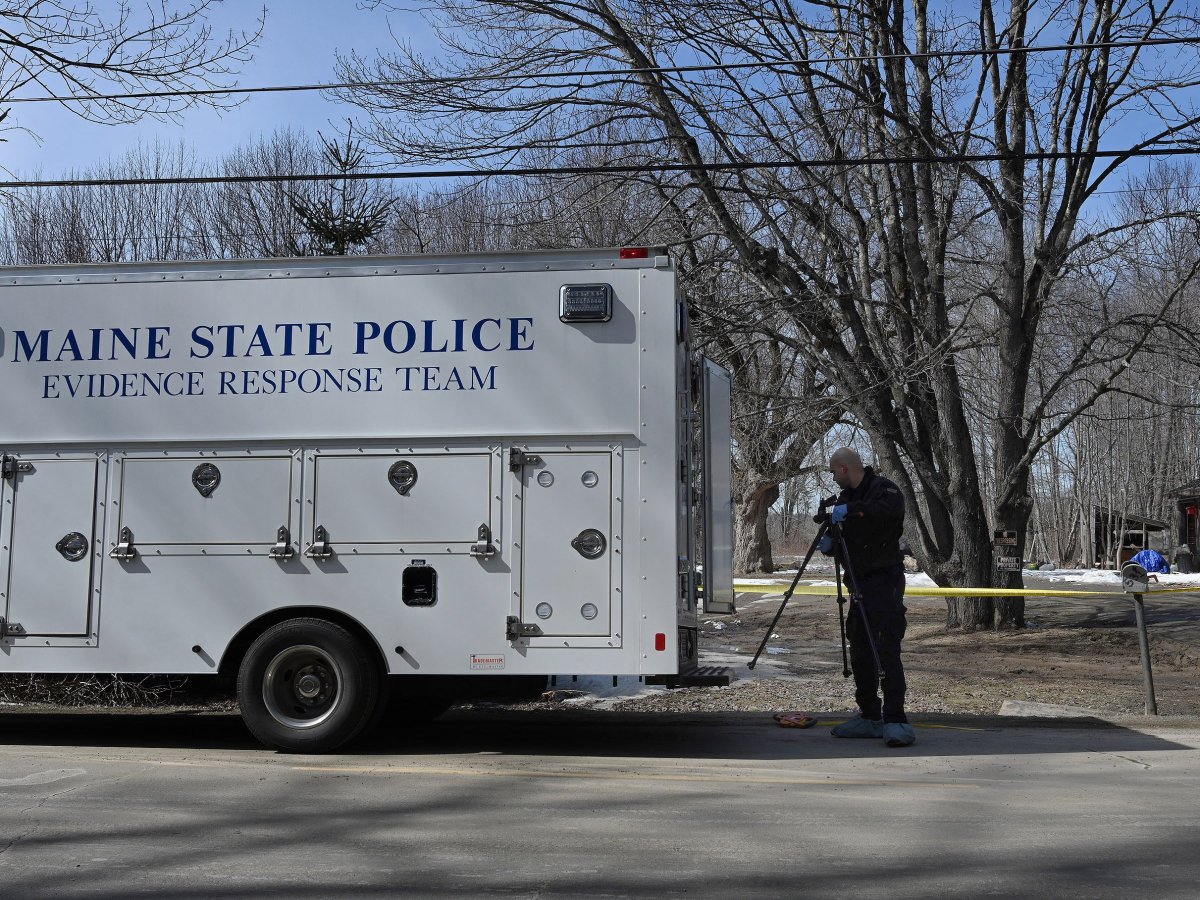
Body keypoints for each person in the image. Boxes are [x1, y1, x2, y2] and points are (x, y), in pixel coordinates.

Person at [819, 447, 915, 747]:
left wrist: (851, 511)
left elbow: (886, 511)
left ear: (844, 468)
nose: (833, 478)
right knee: (860, 648)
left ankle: (895, 719)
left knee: (885, 647)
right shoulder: (844, 499)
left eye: (833, 472)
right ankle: (870, 715)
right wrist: (830, 542)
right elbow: (848, 541)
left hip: (884, 583)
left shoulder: (884, 490)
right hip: (858, 585)